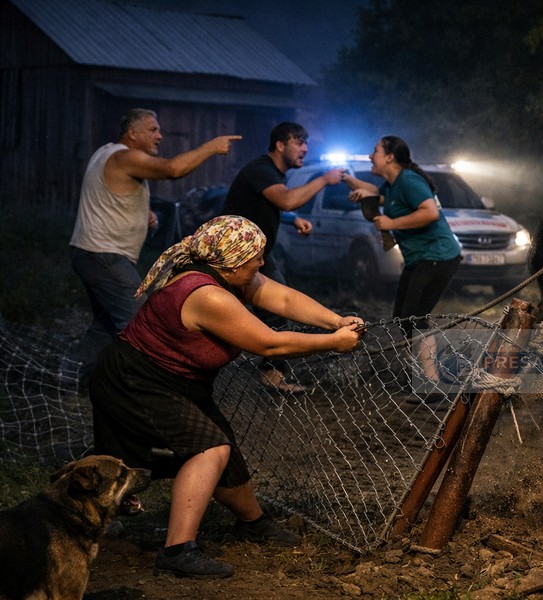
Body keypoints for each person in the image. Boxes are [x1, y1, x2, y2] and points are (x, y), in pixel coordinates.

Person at [88, 215, 365, 579]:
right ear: (231, 262)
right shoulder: (207, 295)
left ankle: (252, 523)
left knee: (225, 456)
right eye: (255, 258)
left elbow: (279, 295)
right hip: (137, 380)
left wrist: (334, 321)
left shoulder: (227, 274)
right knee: (210, 449)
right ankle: (176, 551)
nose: (261, 263)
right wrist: (333, 344)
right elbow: (269, 342)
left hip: (178, 380)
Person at [69, 108, 240, 380]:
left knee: (103, 328)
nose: (160, 136)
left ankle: (65, 377)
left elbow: (108, 195)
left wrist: (142, 214)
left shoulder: (106, 153)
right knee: (142, 325)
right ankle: (146, 386)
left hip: (93, 254)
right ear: (132, 133)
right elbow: (174, 170)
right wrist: (211, 147)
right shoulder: (125, 156)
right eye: (153, 130)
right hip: (103, 256)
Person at [221, 122, 344, 392]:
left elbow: (271, 205)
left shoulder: (273, 173)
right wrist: (324, 179)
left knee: (268, 313)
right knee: (271, 313)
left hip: (253, 255)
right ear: (279, 145)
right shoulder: (261, 169)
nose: (305, 149)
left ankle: (271, 376)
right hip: (233, 257)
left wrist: (292, 219)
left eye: (306, 143)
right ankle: (269, 377)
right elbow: (286, 200)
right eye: (298, 142)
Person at [342, 136, 461, 390]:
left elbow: (429, 212)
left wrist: (392, 224)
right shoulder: (393, 184)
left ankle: (431, 382)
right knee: (402, 318)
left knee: (416, 318)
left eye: (374, 151)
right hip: (419, 258)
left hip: (438, 256)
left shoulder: (408, 180)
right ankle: (419, 374)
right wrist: (347, 179)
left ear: (390, 157)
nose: (370, 155)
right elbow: (375, 193)